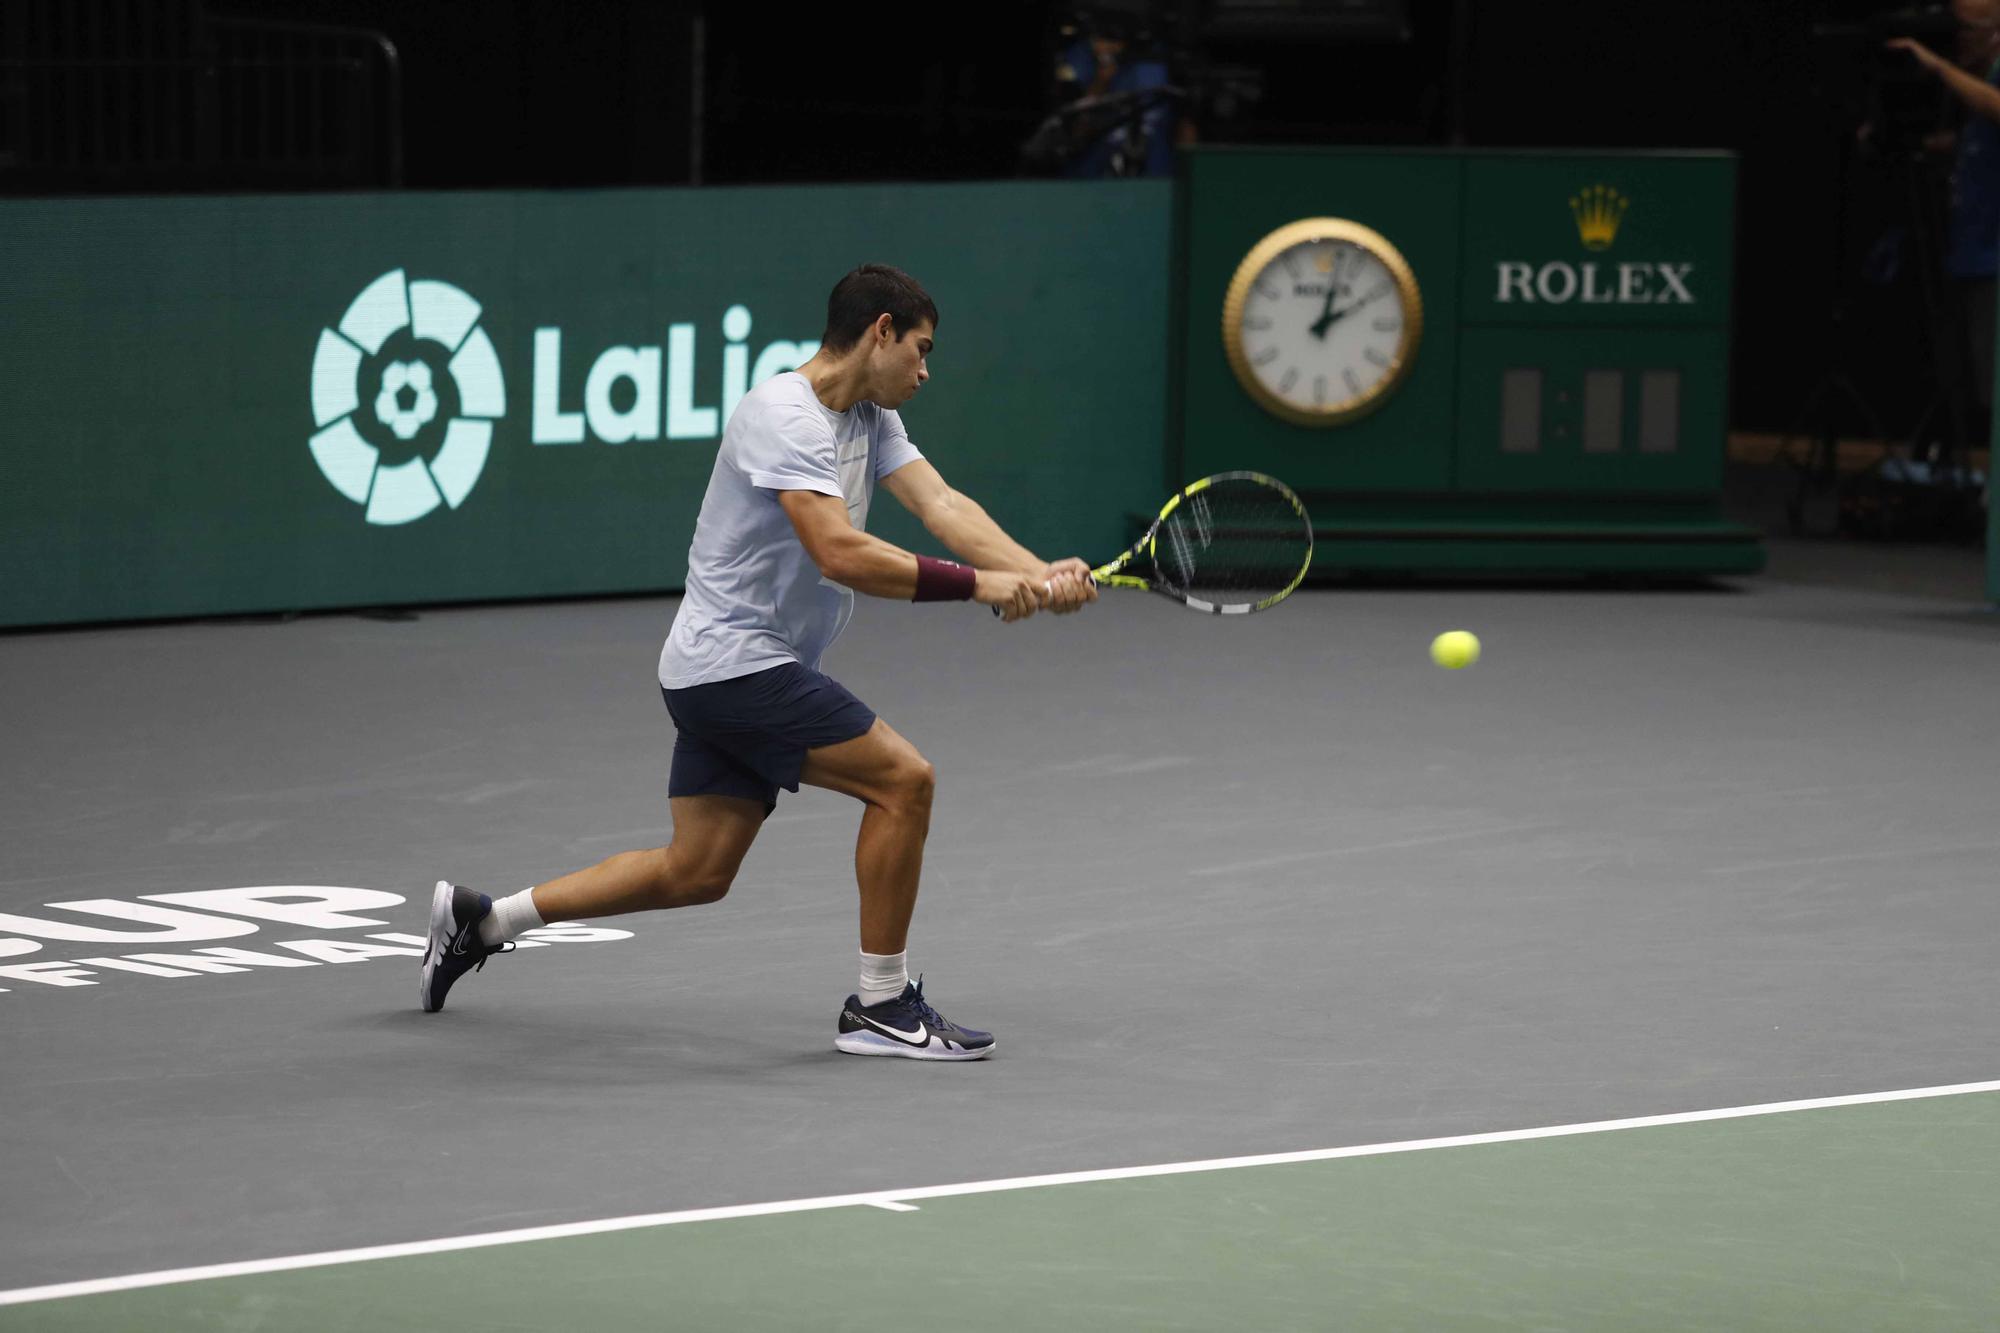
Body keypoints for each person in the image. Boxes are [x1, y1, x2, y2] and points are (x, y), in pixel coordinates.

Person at [417, 264, 1095, 1060]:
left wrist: (1038, 574)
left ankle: (483, 920)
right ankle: (883, 1002)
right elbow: (839, 552)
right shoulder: (782, 413)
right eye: (919, 348)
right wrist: (987, 585)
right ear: (880, 330)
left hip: (715, 670)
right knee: (904, 781)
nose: (925, 370)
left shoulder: (871, 420)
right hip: (737, 665)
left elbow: (942, 504)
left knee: (695, 870)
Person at [1889, 1, 2000, 416]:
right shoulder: (1980, 80)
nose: (1957, 39)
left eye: (1966, 28)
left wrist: (1938, 67)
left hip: (1994, 257)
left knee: (1996, 385)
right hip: (1971, 253)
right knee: (1972, 381)